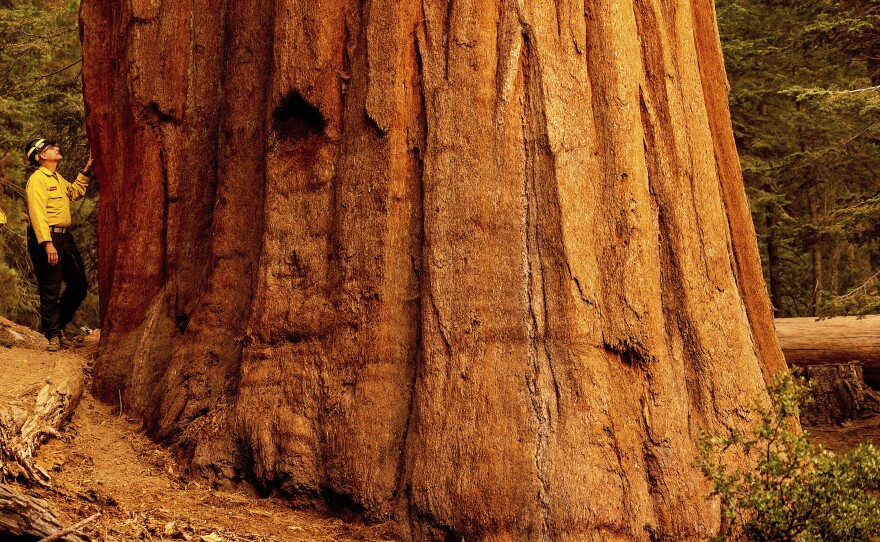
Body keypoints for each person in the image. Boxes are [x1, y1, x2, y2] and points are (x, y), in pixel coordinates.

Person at [24, 138, 93, 351]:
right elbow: (37, 213)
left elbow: (74, 192)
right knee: (50, 287)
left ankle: (58, 326)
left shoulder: (56, 177)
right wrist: (47, 244)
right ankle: (53, 335)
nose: (56, 148)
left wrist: (87, 168)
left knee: (79, 285)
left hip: (64, 237)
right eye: (51, 148)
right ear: (42, 156)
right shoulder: (37, 179)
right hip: (47, 238)